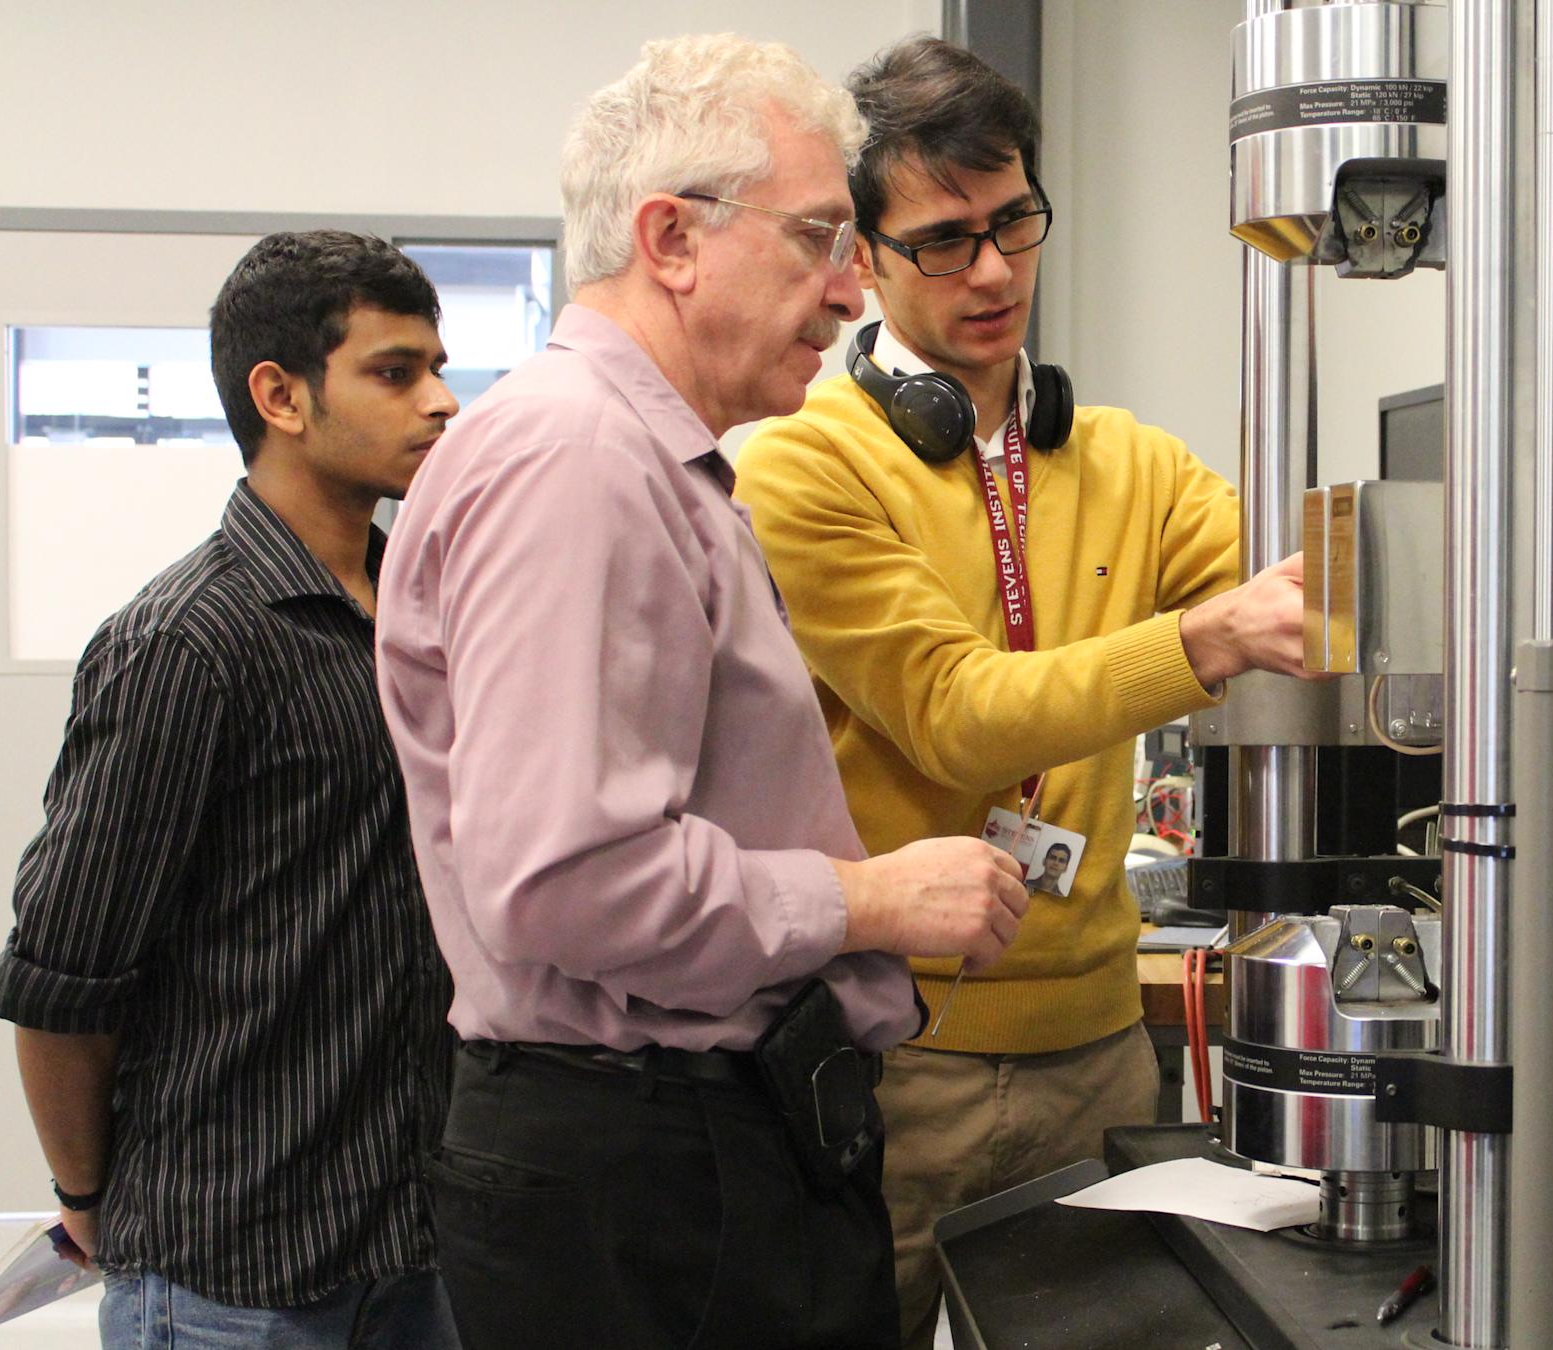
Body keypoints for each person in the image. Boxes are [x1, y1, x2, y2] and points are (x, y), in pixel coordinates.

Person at [373, 35, 1031, 1350]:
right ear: (672, 239)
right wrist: (871, 899)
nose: (851, 287)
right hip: (652, 1169)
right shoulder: (576, 462)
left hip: (680, 1156)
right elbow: (567, 879)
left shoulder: (645, 461)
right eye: (819, 238)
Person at [733, 36, 1310, 1347]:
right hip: (905, 1053)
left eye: (1013, 223)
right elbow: (958, 712)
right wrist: (1201, 641)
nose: (994, 271)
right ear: (863, 256)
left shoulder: (1130, 461)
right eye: (944, 241)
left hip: (1100, 1047)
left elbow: (1309, 598)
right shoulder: (803, 467)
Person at [0, 230, 463, 1348]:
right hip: (232, 1275)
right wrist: (88, 1201)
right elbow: (61, 978)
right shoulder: (186, 642)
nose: (440, 402)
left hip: (414, 1246)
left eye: (439, 369)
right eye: (395, 372)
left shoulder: (425, 611)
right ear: (281, 397)